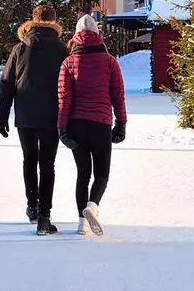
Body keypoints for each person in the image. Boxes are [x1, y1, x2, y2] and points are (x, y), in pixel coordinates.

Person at [0, 4, 69, 236]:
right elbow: (70, 84)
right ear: (54, 21)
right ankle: (44, 218)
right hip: (52, 115)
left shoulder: (19, 49)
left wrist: (2, 115)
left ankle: (32, 207)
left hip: (25, 115)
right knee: (48, 165)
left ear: (33, 20)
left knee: (29, 159)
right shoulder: (61, 49)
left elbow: (7, 83)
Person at [58, 15, 127, 237]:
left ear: (76, 37)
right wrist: (121, 124)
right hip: (101, 124)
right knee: (102, 175)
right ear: (98, 35)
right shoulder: (109, 61)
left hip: (76, 125)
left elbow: (63, 98)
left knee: (83, 174)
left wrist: (62, 130)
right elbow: (118, 96)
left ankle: (82, 223)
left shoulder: (69, 62)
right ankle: (92, 206)